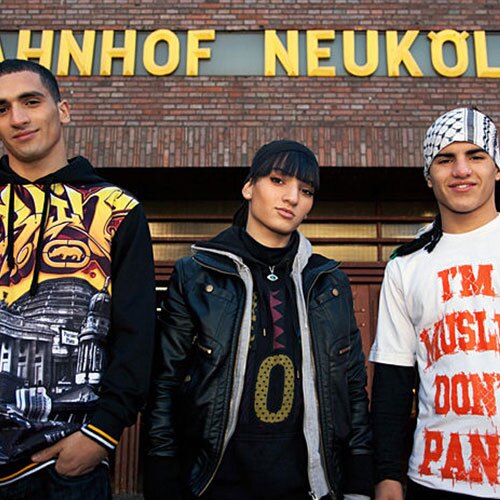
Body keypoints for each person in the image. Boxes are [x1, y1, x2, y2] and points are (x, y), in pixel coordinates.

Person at [144, 139, 373, 500]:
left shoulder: (328, 282)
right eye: (278, 181)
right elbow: (165, 381)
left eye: (306, 190)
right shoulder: (197, 274)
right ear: (249, 187)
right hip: (214, 481)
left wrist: (360, 479)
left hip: (309, 485)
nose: (292, 198)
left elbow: (352, 384)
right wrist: (161, 471)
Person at [0, 59, 156, 499]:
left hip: (66, 467)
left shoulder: (117, 210)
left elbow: (137, 335)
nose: (17, 118)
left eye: (31, 101)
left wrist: (101, 435)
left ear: (63, 110)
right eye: (2, 108)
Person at [370, 108, 500, 499]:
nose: (461, 170)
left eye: (475, 156)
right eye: (445, 159)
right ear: (429, 176)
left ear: (496, 168)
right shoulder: (405, 265)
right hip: (435, 480)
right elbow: (393, 380)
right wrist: (387, 474)